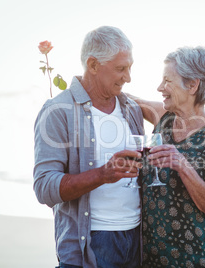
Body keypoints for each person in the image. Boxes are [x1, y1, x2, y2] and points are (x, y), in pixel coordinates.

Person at [33, 26, 144, 268]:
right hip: (90, 244)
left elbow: (182, 114)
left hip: (138, 239)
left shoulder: (132, 108)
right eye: (120, 69)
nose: (128, 77)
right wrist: (103, 175)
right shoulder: (57, 110)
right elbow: (44, 187)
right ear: (93, 65)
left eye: (130, 67)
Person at [129, 46, 205, 267]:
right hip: (153, 256)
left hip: (198, 256)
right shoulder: (163, 116)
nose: (160, 88)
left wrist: (183, 166)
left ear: (193, 85)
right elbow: (127, 99)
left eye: (167, 81)